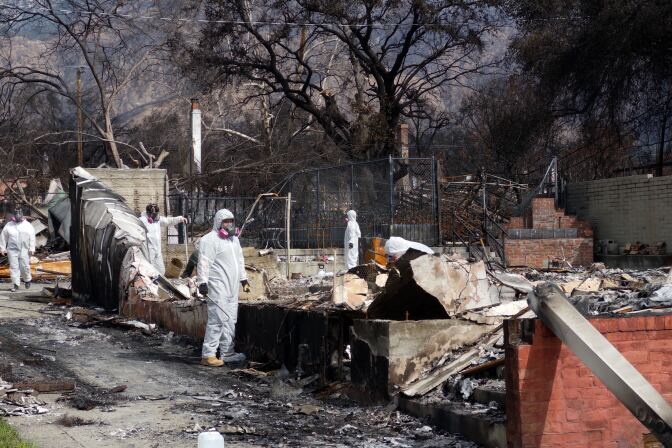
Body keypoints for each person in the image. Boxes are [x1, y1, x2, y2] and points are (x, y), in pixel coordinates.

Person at [197, 209, 250, 367]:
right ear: (218, 222)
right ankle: (208, 354)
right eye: (226, 221)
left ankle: (227, 352)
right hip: (217, 285)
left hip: (232, 286)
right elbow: (204, 262)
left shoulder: (234, 240)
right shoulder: (209, 240)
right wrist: (202, 282)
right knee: (217, 319)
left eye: (231, 221)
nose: (229, 224)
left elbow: (239, 260)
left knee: (230, 320)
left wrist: (244, 279)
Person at [140, 203, 187, 275]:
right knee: (148, 271)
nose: (156, 216)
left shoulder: (158, 220)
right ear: (150, 213)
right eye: (154, 214)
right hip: (148, 250)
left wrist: (180, 219)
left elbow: (169, 221)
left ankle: (158, 284)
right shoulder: (142, 220)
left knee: (161, 271)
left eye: (157, 214)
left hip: (157, 250)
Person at [0, 208, 36, 292]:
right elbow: (3, 237)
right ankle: (16, 284)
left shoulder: (28, 225)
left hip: (24, 249)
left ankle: (27, 280)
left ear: (22, 216)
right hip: (12, 249)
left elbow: (32, 237)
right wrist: (2, 248)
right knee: (14, 267)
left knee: (24, 266)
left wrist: (32, 248)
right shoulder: (9, 225)